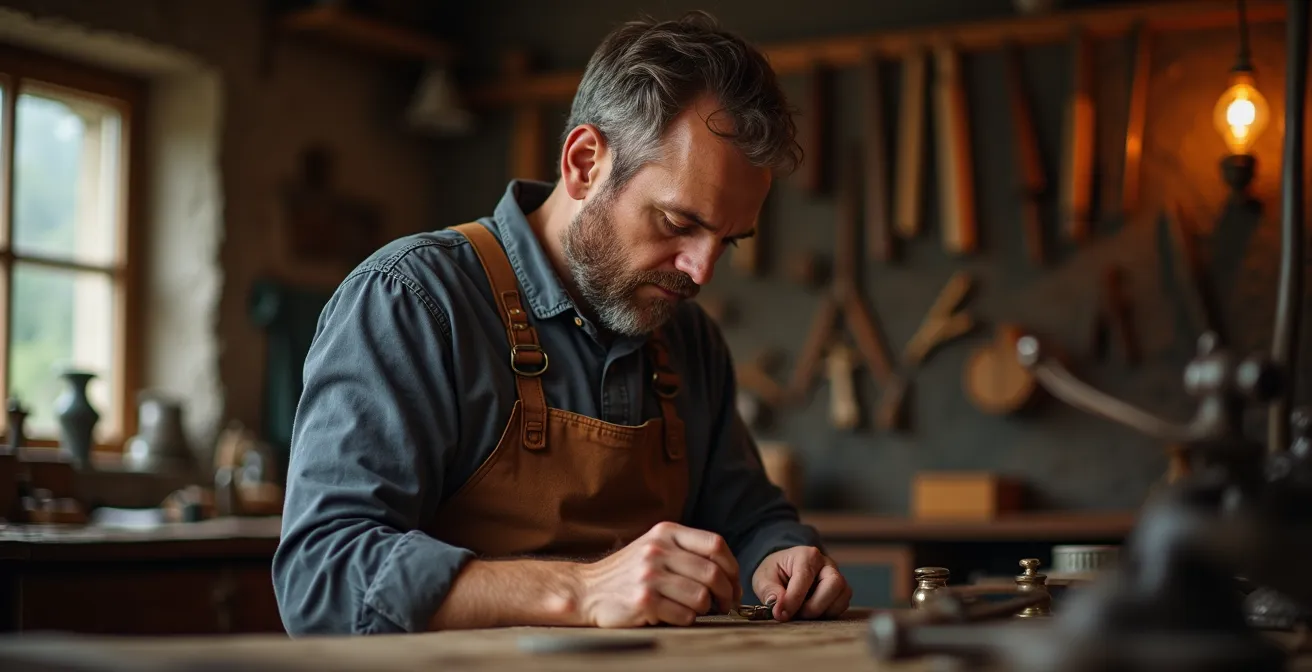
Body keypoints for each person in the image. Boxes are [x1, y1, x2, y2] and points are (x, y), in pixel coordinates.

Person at [272, 10, 853, 636]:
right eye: (679, 223)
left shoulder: (687, 339)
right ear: (584, 163)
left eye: (728, 241)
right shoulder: (411, 302)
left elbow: (747, 518)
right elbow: (321, 577)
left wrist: (779, 555)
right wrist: (579, 590)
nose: (702, 272)